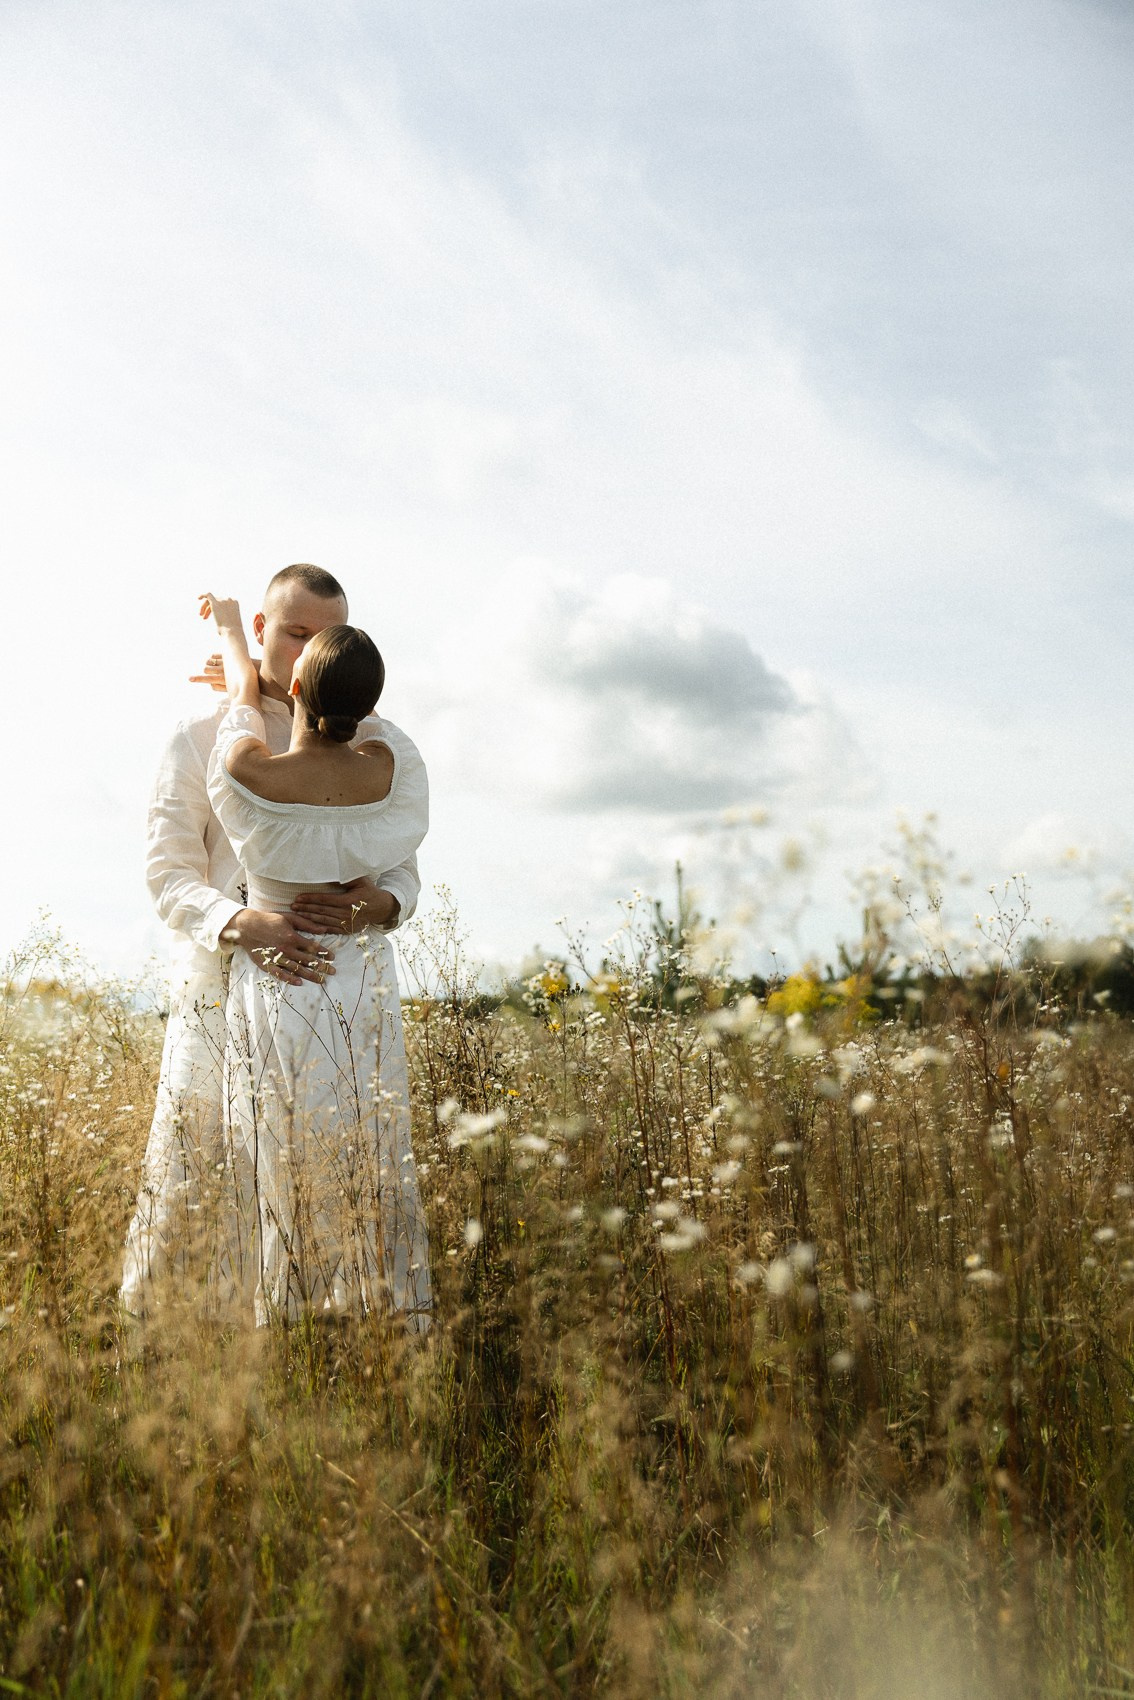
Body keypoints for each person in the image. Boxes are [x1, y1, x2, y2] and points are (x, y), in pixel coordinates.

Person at [121, 564, 421, 1319]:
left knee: (344, 1170)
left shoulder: (375, 745)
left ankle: (342, 1332)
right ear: (261, 632)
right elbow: (166, 875)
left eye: (327, 635)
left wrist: (375, 906)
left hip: (343, 993)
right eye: (295, 632)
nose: (312, 648)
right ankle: (187, 1342)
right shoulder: (199, 739)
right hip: (222, 985)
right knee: (201, 1166)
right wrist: (242, 921)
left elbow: (403, 876)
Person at [199, 593, 431, 1325]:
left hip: (279, 969)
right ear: (368, 707)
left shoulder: (246, 774)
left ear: (294, 687)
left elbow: (242, 700)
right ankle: (376, 1304)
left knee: (276, 1144)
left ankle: (284, 1312)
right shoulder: (392, 772)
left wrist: (235, 635)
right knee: (371, 1139)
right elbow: (384, 744)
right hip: (360, 973)